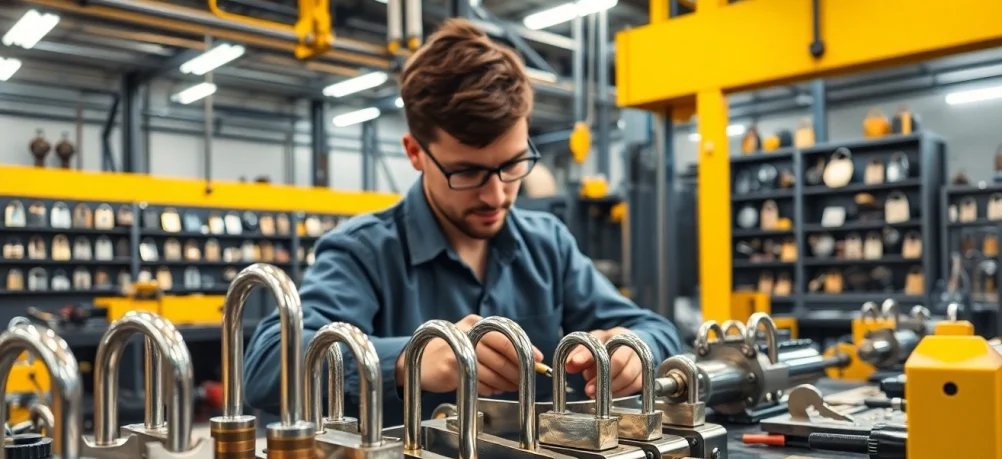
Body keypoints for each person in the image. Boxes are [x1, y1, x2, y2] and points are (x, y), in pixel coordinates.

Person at [243, 19, 682, 426]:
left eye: (513, 164)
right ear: (415, 152)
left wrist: (631, 351)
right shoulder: (363, 251)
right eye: (468, 172)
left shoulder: (548, 245)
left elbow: (659, 330)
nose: (496, 195)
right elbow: (266, 366)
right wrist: (410, 359)